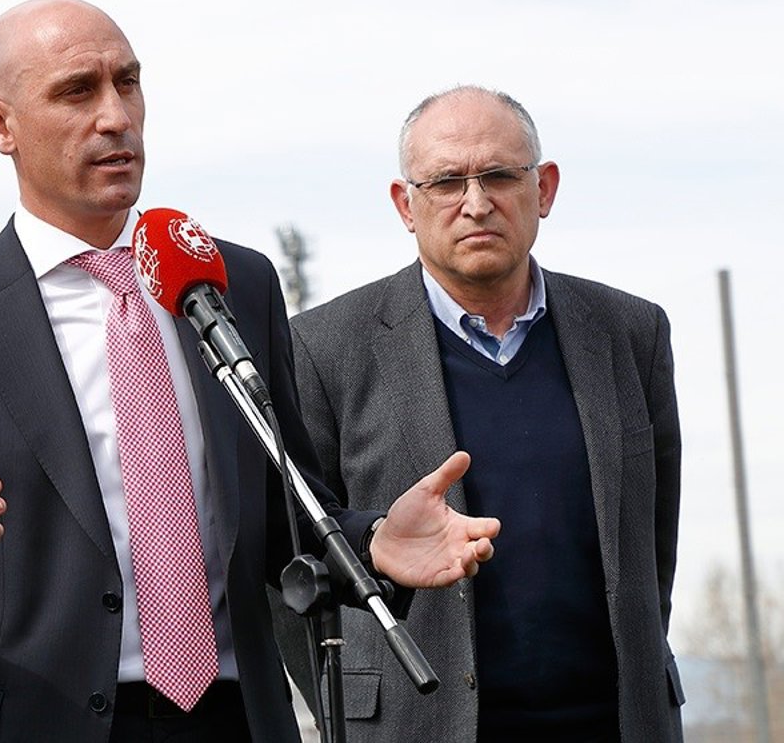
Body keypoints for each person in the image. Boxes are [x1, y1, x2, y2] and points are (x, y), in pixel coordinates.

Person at [0, 0, 500, 743]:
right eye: (77, 91)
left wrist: (374, 541)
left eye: (128, 83)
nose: (115, 116)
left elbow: (286, 516)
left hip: (235, 721)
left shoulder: (233, 283)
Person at [275, 85, 685, 742]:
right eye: (445, 182)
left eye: (499, 175)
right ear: (405, 205)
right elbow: (289, 559)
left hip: (611, 723)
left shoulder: (630, 334)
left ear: (543, 189)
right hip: (415, 729)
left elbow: (652, 544)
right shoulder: (324, 349)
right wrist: (345, 702)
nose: (475, 202)